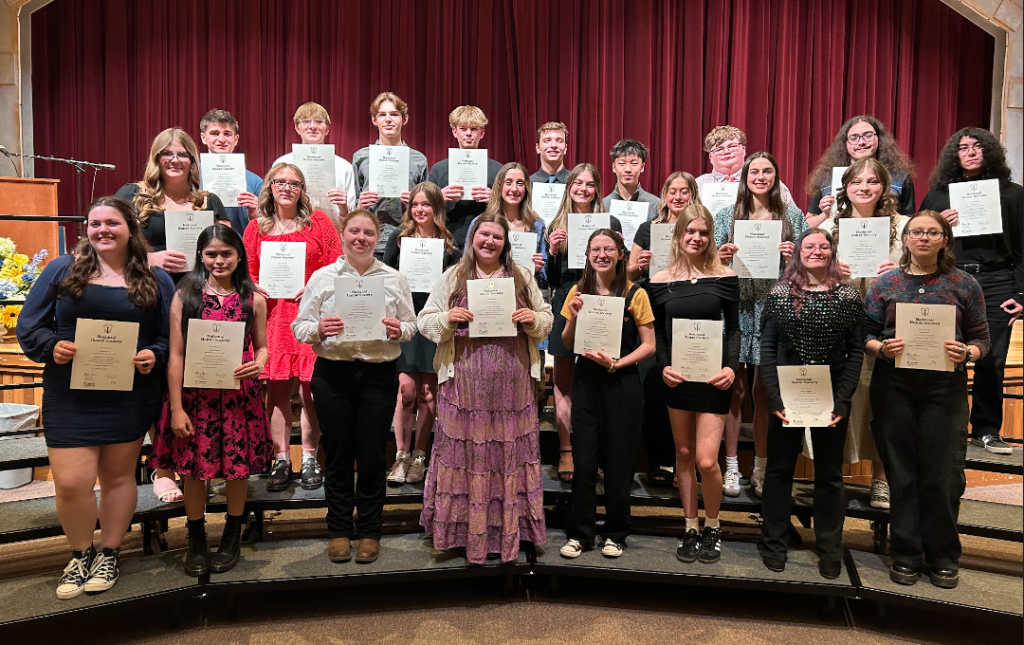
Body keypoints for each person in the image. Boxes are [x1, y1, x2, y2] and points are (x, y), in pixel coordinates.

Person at [17, 196, 174, 599]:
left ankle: (109, 553)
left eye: (112, 223)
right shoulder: (62, 269)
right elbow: (30, 325)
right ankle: (80, 553)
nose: (103, 230)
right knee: (72, 483)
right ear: (86, 229)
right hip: (70, 394)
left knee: (119, 478)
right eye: (95, 223)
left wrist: (153, 355)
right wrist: (52, 346)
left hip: (130, 394)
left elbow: (168, 336)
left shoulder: (155, 278)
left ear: (131, 228)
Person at [864, 211, 990, 589]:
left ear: (945, 240)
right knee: (901, 474)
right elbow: (865, 334)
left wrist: (967, 352)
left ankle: (943, 556)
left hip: (944, 390)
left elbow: (982, 339)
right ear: (905, 239)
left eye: (933, 232)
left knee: (943, 476)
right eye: (916, 231)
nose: (923, 237)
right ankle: (905, 554)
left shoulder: (964, 284)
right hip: (894, 386)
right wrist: (882, 348)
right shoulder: (885, 283)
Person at [417, 213, 553, 564]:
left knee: (508, 458)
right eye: (484, 235)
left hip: (512, 385)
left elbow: (547, 317)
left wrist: (533, 320)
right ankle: (460, 533)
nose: (489, 242)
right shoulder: (454, 276)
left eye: (497, 237)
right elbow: (425, 320)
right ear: (472, 238)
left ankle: (512, 532)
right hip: (463, 385)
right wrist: (447, 319)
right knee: (464, 457)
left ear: (505, 243)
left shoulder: (521, 277)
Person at [292, 210, 417, 564]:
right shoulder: (322, 277)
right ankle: (339, 530)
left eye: (368, 233)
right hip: (333, 374)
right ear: (343, 234)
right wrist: (319, 329)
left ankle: (370, 532)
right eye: (354, 231)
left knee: (373, 456)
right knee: (338, 455)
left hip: (378, 374)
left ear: (378, 238)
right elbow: (300, 326)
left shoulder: (394, 278)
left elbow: (411, 325)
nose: (361, 238)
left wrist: (399, 330)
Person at [115, 127, 229, 503]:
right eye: (167, 153)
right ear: (156, 158)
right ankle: (162, 469)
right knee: (157, 380)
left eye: (182, 154)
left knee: (197, 382)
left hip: (199, 300)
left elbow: (227, 248)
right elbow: (109, 243)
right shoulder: (133, 196)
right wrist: (152, 257)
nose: (174, 160)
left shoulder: (208, 201)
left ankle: (200, 463)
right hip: (150, 297)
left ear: (193, 160)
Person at [153, 224, 271, 576]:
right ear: (200, 256)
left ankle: (232, 534)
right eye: (211, 254)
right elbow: (176, 355)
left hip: (238, 397)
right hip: (195, 398)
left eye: (226, 254)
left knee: (237, 470)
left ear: (239, 255)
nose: (219, 261)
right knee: (193, 470)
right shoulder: (185, 296)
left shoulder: (254, 299)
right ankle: (196, 537)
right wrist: (176, 408)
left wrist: (259, 363)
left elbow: (263, 347)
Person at [758, 228, 863, 579]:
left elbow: (856, 351)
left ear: (832, 252)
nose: (816, 251)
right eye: (809, 246)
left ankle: (830, 549)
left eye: (823, 246)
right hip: (787, 398)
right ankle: (774, 543)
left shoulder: (848, 296)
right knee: (779, 471)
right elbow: (768, 347)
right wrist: (774, 396)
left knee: (830, 476)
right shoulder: (779, 294)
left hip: (831, 398)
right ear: (798, 253)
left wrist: (842, 400)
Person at [921, 127, 1023, 455]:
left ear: (988, 151)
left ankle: (986, 429)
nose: (970, 152)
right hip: (949, 279)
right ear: (955, 155)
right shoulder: (938, 196)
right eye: (963, 147)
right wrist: (938, 225)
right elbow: (917, 240)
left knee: (991, 359)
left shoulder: (1012, 194)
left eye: (977, 146)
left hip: (997, 281)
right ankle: (940, 427)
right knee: (941, 355)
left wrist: (1021, 294)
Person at [243, 163, 342, 492]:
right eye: (280, 182)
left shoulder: (319, 222)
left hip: (310, 315)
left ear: (302, 190)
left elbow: (337, 262)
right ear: (270, 187)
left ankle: (310, 457)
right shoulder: (255, 228)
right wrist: (255, 285)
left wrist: (314, 284)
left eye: (294, 183)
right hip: (273, 318)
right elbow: (246, 271)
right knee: (277, 391)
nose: (287, 188)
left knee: (311, 391)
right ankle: (282, 458)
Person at [714, 152, 807, 497]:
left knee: (765, 391)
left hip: (774, 307)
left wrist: (794, 257)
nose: (761, 177)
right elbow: (709, 262)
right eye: (754, 171)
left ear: (776, 177)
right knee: (734, 389)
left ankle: (761, 467)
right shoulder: (726, 215)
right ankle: (731, 467)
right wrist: (719, 256)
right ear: (745, 176)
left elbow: (811, 263)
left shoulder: (792, 215)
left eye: (768, 171)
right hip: (736, 307)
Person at [649, 205, 739, 564]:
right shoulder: (660, 280)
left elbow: (734, 329)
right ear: (678, 234)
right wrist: (663, 367)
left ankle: (712, 526)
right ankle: (689, 526)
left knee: (706, 459)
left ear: (710, 236)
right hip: (678, 378)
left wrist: (731, 368)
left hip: (714, 379)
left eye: (703, 232)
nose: (696, 238)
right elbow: (658, 332)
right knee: (684, 454)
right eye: (690, 231)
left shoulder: (725, 276)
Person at [559, 229, 656, 558]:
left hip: (622, 383)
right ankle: (580, 534)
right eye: (595, 250)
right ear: (587, 255)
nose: (602, 255)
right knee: (585, 464)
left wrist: (616, 363)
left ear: (620, 254)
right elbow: (568, 343)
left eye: (608, 249)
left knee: (619, 465)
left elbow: (649, 345)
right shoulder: (577, 292)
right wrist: (573, 317)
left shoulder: (635, 293)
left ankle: (616, 533)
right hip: (586, 383)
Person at [819, 158, 908, 509]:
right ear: (846, 188)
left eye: (872, 181)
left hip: (886, 326)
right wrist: (829, 269)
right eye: (857, 182)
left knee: (881, 402)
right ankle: (832, 481)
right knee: (842, 399)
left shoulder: (904, 226)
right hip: (840, 325)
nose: (864, 188)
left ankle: (881, 479)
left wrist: (898, 270)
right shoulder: (830, 227)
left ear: (884, 187)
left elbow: (923, 269)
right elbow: (805, 270)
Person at [382, 183, 462, 485]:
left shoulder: (449, 245)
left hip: (433, 323)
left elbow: (456, 287)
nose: (419, 210)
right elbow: (384, 276)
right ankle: (401, 455)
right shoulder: (398, 239)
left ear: (437, 208)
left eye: (426, 204)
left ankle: (419, 456)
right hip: (404, 321)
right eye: (415, 204)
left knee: (429, 393)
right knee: (406, 392)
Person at [546, 163, 622, 482]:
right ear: (569, 187)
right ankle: (566, 450)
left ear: (597, 189)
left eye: (590, 184)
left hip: (602, 302)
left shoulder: (611, 222)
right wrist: (553, 251)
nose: (583, 189)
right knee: (563, 382)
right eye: (578, 183)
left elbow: (620, 270)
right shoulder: (557, 224)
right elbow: (551, 279)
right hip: (567, 300)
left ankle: (594, 451)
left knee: (598, 381)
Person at [626, 171, 700, 487]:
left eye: (685, 191)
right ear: (664, 195)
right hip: (653, 310)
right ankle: (657, 461)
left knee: (686, 385)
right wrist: (640, 264)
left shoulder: (699, 229)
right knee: (654, 388)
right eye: (673, 190)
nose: (678, 197)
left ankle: (684, 462)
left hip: (687, 309)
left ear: (693, 195)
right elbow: (628, 271)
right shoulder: (648, 229)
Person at [353, 92, 430, 256]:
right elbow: (353, 202)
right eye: (382, 115)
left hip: (406, 240)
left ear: (404, 119)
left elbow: (428, 206)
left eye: (394, 114)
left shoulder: (419, 160)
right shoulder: (361, 157)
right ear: (374, 120)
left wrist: (416, 203)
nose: (388, 119)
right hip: (369, 241)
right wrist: (360, 206)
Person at [805, 115, 916, 228]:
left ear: (879, 138)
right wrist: (825, 215)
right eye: (854, 138)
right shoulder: (827, 177)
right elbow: (807, 225)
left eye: (868, 135)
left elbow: (910, 225)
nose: (861, 142)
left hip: (886, 236)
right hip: (838, 236)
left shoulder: (900, 176)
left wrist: (891, 211)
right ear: (845, 143)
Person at [271, 101, 358, 232]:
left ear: (327, 129)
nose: (312, 126)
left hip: (333, 234)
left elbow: (351, 216)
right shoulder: (281, 164)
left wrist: (343, 207)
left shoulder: (344, 167)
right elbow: (272, 206)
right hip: (292, 234)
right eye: (305, 121)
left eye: (319, 121)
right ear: (297, 128)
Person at [427, 105, 505, 247]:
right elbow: (423, 207)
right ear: (454, 132)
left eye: (474, 129)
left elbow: (511, 209)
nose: (468, 133)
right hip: (448, 240)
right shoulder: (439, 169)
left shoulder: (498, 170)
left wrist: (496, 199)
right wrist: (438, 197)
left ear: (482, 133)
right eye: (463, 129)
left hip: (487, 242)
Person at [466, 162, 548, 281]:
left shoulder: (537, 225)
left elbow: (544, 274)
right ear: (499, 186)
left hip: (525, 287)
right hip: (488, 287)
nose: (514, 189)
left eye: (520, 183)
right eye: (508, 182)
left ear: (526, 188)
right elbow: (467, 262)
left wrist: (537, 268)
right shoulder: (480, 223)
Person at [198, 109, 264, 236]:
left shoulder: (255, 182)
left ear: (236, 139)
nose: (221, 139)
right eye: (215, 133)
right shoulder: (189, 177)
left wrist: (254, 213)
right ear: (203, 138)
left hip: (240, 245)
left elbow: (265, 230)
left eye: (227, 134)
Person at [694, 126, 794, 205]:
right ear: (710, 157)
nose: (726, 152)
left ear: (744, 150)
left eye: (732, 146)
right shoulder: (698, 185)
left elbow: (793, 218)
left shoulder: (766, 182)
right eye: (719, 149)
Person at [601, 139, 662, 217]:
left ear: (642, 167)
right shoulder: (602, 207)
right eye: (622, 163)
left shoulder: (656, 205)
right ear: (614, 167)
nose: (628, 169)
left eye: (634, 163)